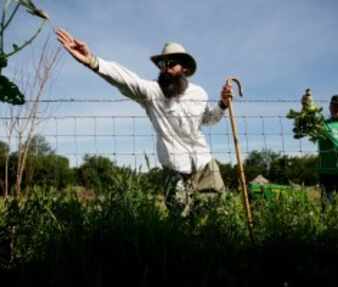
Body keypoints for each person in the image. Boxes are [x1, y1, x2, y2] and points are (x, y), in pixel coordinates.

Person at [55, 28, 232, 216]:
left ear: (185, 69)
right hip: (175, 170)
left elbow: (208, 119)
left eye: (171, 64)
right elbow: (125, 79)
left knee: (217, 214)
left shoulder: (200, 93)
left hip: (205, 165)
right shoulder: (153, 92)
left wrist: (222, 104)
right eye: (162, 64)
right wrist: (93, 61)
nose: (165, 68)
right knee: (181, 220)